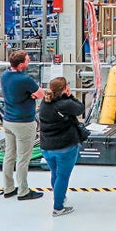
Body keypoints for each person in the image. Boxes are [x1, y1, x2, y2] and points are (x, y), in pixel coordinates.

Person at [1, 50, 44, 201]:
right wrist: (31, 94)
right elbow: (41, 94)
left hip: (8, 120)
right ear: (21, 65)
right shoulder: (25, 79)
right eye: (27, 60)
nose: (29, 62)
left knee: (9, 155)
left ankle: (8, 188)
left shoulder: (4, 75)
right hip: (23, 123)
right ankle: (23, 191)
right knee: (23, 159)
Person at [38, 77, 85, 217]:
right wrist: (71, 96)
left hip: (47, 147)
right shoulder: (65, 104)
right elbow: (80, 109)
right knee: (63, 176)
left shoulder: (45, 102)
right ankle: (58, 207)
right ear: (64, 89)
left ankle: (60, 197)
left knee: (55, 173)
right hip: (64, 147)